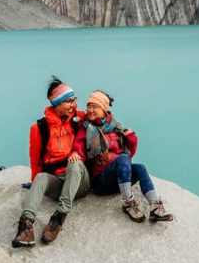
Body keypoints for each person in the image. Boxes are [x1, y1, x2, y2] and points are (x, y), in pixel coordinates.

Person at [73, 90, 173, 223]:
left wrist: (131, 138)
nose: (90, 110)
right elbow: (78, 148)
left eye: (95, 106)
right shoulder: (86, 128)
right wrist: (75, 155)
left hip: (118, 178)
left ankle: (154, 206)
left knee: (140, 168)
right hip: (100, 181)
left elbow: (129, 154)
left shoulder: (115, 127)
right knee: (122, 158)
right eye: (89, 106)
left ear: (104, 109)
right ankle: (128, 203)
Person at [12, 76, 90, 247]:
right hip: (57, 182)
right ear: (57, 103)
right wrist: (35, 185)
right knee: (40, 177)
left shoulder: (80, 119)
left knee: (75, 163)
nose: (73, 105)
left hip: (79, 181)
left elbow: (101, 118)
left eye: (74, 100)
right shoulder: (39, 128)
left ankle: (58, 217)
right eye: (68, 101)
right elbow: (35, 161)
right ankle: (26, 227)